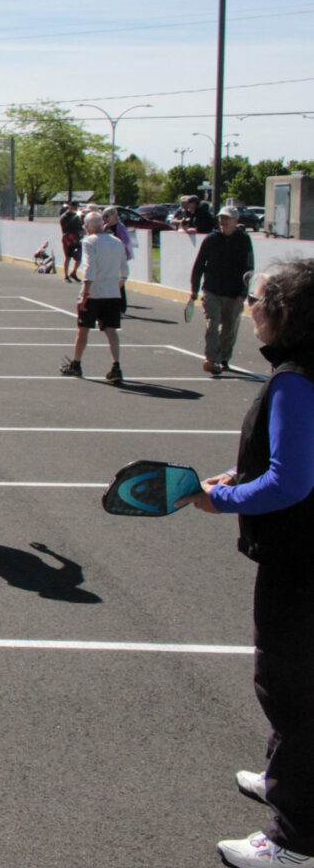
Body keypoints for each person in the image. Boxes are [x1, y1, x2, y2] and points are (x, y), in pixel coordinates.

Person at [174, 259, 314, 868]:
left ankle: (295, 839)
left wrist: (221, 497)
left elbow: (292, 481)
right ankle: (284, 776)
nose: (252, 305)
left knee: (289, 686)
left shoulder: (295, 381)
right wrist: (241, 474)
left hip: (300, 559)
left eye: (259, 298)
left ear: (280, 314)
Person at [60, 211, 129, 383]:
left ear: (88, 227)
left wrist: (84, 294)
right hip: (112, 293)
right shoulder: (117, 242)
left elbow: (89, 268)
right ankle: (116, 366)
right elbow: (124, 271)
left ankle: (76, 364)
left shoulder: (89, 242)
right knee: (111, 330)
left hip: (94, 293)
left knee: (83, 330)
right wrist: (116, 285)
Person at [191, 203, 256, 375]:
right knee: (212, 324)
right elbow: (198, 265)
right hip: (212, 290)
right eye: (221, 218)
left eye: (227, 218)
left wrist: (244, 292)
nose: (223, 221)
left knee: (229, 328)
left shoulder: (243, 240)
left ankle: (224, 359)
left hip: (234, 293)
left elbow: (249, 267)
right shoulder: (211, 239)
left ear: (236, 220)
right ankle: (211, 359)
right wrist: (194, 289)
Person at [59, 200, 85, 282]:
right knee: (68, 257)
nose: (76, 208)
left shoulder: (77, 216)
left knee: (79, 257)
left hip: (77, 239)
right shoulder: (65, 216)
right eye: (75, 206)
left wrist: (82, 232)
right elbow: (65, 229)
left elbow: (81, 228)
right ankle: (66, 276)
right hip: (68, 239)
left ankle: (73, 272)